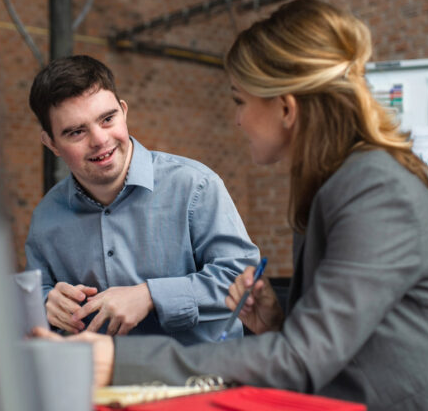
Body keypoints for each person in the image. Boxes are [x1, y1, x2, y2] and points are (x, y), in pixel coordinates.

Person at [34, 0, 428, 410]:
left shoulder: (374, 191)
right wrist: (275, 321)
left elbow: (303, 360)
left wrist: (117, 362)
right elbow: (341, 341)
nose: (238, 121)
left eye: (240, 101)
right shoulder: (332, 187)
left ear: (286, 109)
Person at [25, 55, 260, 345]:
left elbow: (243, 281)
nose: (99, 140)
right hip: (101, 385)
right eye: (76, 132)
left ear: (124, 112)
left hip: (200, 378)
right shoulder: (46, 218)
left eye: (107, 119)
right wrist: (46, 303)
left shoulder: (194, 186)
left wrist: (150, 296)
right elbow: (36, 297)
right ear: (51, 143)